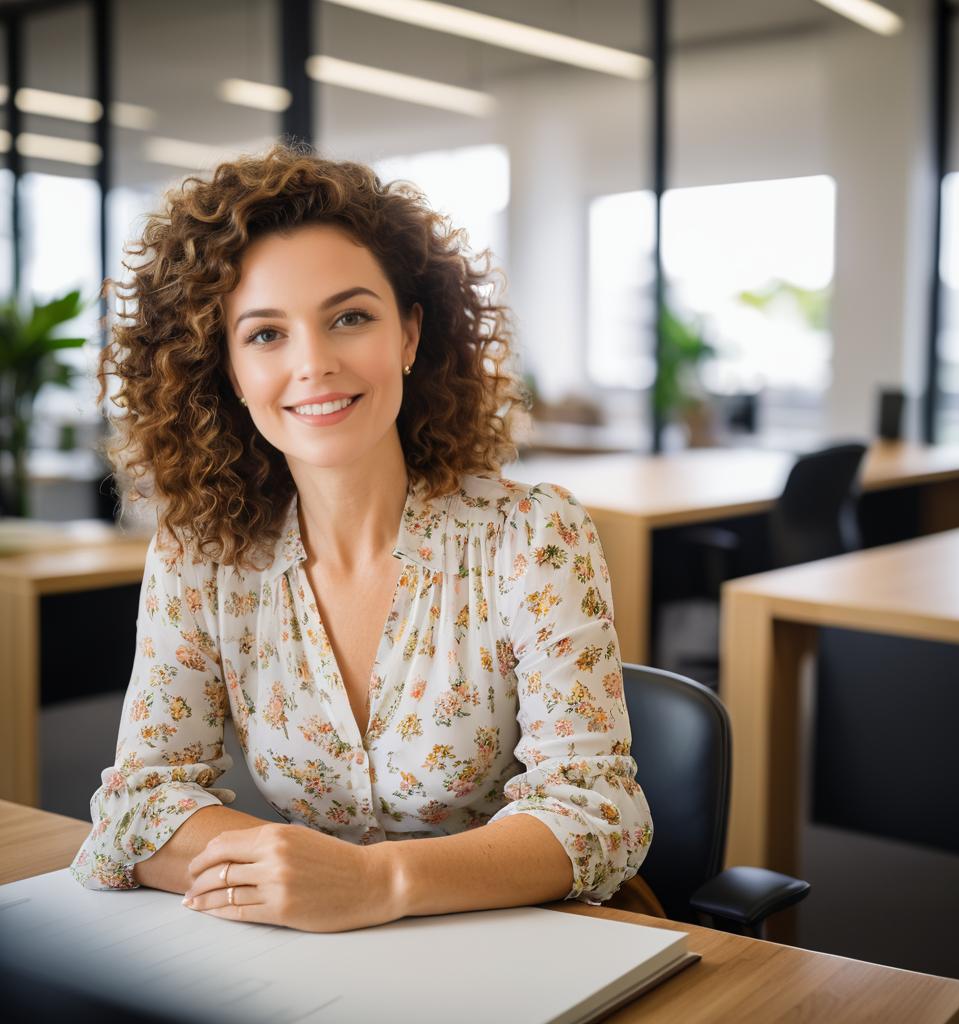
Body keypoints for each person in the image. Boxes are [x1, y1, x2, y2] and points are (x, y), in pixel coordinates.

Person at [70, 142, 654, 932]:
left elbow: (598, 813)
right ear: (230, 370)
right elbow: (139, 803)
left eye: (350, 317)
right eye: (266, 334)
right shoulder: (201, 556)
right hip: (307, 960)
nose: (314, 363)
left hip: (517, 949)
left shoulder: (532, 534)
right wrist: (301, 876)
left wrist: (375, 882)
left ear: (410, 335)